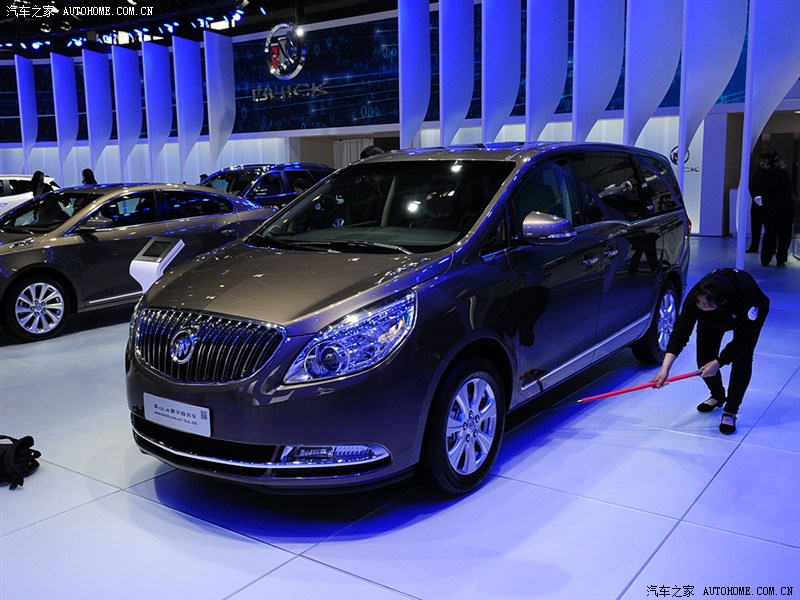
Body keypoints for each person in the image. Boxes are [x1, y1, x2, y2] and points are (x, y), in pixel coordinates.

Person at [652, 268, 769, 434]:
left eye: (705, 304)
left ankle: (731, 410)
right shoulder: (699, 296)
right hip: (712, 317)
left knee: (742, 358)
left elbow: (744, 341)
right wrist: (665, 369)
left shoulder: (746, 296)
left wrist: (720, 362)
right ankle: (718, 395)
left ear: (722, 302)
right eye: (699, 302)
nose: (700, 306)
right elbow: (680, 332)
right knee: (704, 360)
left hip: (744, 317)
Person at [760, 152, 793, 267]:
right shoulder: (783, 174)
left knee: (769, 235)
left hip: (770, 210)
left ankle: (766, 258)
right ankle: (781, 259)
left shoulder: (766, 176)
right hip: (783, 210)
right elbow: (787, 192)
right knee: (784, 236)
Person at [746, 152, 771, 253]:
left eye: (764, 161)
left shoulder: (773, 174)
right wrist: (756, 197)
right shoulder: (757, 173)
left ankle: (770, 248)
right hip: (757, 204)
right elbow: (751, 186)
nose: (762, 163)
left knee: (769, 228)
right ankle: (754, 246)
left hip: (769, 205)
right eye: (761, 161)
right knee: (756, 226)